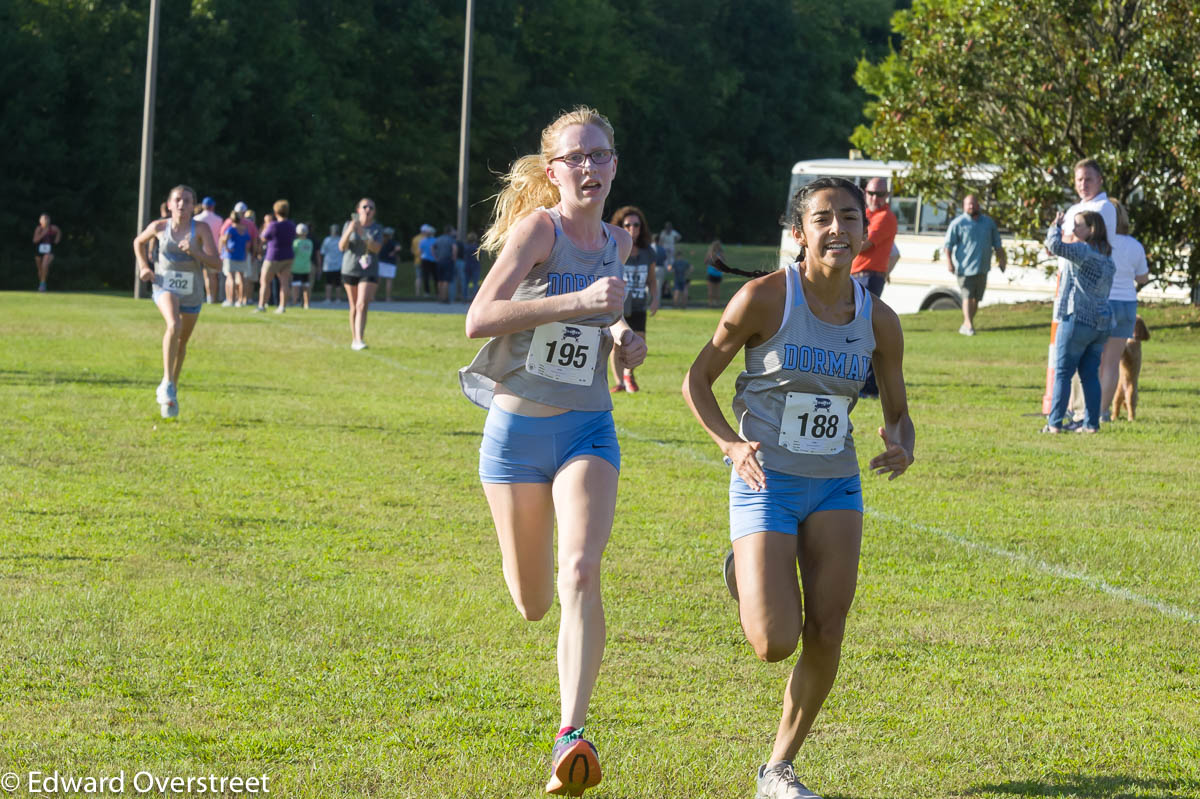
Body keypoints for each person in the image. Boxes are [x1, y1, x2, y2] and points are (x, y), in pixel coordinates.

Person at [682, 177, 914, 799]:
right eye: (822, 218)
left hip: (835, 483)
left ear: (865, 231)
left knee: (829, 629)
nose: (836, 228)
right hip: (767, 479)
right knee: (773, 641)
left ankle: (778, 768)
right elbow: (697, 381)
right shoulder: (763, 299)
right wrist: (731, 444)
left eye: (848, 217)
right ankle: (745, 570)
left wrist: (902, 441)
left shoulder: (880, 320)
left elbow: (897, 408)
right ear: (799, 233)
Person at [459, 106, 645, 797]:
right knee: (534, 600)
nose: (590, 167)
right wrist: (578, 305)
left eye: (601, 155)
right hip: (514, 438)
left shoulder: (616, 246)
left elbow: (604, 322)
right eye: (576, 157)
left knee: (580, 570)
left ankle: (573, 733)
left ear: (614, 164)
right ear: (552, 170)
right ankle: (568, 719)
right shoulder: (541, 231)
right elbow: (480, 316)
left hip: (588, 429)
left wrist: (624, 339)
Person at [133, 185, 221, 418]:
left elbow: (217, 264)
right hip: (164, 284)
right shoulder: (159, 227)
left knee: (181, 343)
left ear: (194, 206)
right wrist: (144, 266)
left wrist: (196, 252)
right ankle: (167, 382)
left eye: (188, 201)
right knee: (173, 325)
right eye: (178, 200)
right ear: (170, 204)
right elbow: (138, 242)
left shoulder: (200, 229)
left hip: (192, 291)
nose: (182, 204)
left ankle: (171, 388)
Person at [1042, 210, 1116, 433]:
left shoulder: (1083, 251)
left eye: (1077, 225)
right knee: (1089, 375)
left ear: (1091, 230)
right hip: (1101, 323)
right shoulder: (1107, 257)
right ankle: (1091, 424)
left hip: (1078, 318)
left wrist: (1056, 225)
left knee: (1063, 372)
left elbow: (1054, 246)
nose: (1073, 230)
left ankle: (1054, 424)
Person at [1098, 200, 1150, 420]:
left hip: (1103, 304)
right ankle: (1102, 412)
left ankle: (1091, 409)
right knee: (1112, 365)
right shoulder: (1135, 245)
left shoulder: (1099, 244)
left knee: (1096, 362)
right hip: (1127, 304)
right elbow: (1142, 277)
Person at [849, 177, 897, 399]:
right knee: (854, 329)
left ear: (887, 196)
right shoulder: (865, 214)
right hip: (856, 275)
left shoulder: (885, 217)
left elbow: (864, 244)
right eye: (871, 193)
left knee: (863, 331)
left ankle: (870, 386)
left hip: (869, 277)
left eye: (880, 194)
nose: (875, 198)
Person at [608, 205, 657, 394]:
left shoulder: (647, 252)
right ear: (621, 226)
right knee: (617, 343)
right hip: (619, 302)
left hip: (638, 302)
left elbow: (652, 279)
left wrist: (655, 299)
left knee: (639, 341)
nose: (632, 229)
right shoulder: (613, 247)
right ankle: (620, 381)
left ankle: (628, 374)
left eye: (636, 225)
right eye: (627, 225)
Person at [943, 194, 1006, 335]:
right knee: (967, 296)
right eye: (968, 204)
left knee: (976, 299)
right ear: (964, 206)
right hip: (964, 268)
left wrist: (1002, 260)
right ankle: (969, 324)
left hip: (982, 267)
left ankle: (967, 323)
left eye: (973, 203)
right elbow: (948, 246)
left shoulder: (988, 223)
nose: (971, 206)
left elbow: (997, 244)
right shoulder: (958, 223)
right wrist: (949, 263)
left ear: (978, 204)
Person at [339, 198, 383, 349]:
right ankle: (354, 339)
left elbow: (376, 248)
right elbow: (342, 247)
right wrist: (351, 230)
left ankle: (359, 339)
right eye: (365, 207)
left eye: (371, 207)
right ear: (358, 210)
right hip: (350, 268)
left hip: (369, 269)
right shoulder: (349, 225)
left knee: (362, 303)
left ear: (374, 212)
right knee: (353, 306)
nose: (368, 210)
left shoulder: (377, 229)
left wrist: (362, 233)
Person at [257, 200, 296, 313]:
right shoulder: (291, 225)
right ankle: (282, 307)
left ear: (276, 212)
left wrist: (266, 224)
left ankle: (261, 305)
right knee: (284, 282)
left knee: (264, 281)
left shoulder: (273, 225)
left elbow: (263, 237)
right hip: (288, 256)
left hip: (273, 256)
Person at [219, 210, 253, 307]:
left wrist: (226, 249)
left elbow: (224, 239)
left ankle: (231, 300)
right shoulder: (244, 229)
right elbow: (248, 244)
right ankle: (241, 300)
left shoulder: (231, 229)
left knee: (231, 278)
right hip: (242, 256)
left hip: (231, 256)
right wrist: (246, 254)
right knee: (242, 279)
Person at [194, 197, 224, 303]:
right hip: (213, 251)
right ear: (213, 206)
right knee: (212, 276)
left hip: (198, 250)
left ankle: (202, 297)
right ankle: (211, 298)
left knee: (201, 276)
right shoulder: (219, 219)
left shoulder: (197, 218)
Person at [32, 214, 62, 292]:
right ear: (40, 221)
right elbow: (35, 240)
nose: (46, 220)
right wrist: (43, 233)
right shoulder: (39, 229)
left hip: (49, 250)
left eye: (47, 218)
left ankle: (42, 285)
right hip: (39, 251)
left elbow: (59, 232)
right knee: (40, 269)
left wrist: (57, 239)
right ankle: (42, 283)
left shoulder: (53, 228)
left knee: (45, 265)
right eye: (44, 219)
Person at [291, 223, 314, 309]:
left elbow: (293, 254)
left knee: (295, 286)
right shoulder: (310, 242)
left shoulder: (295, 242)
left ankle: (294, 302)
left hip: (296, 267)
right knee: (306, 286)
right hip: (306, 267)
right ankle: (306, 303)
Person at [433, 225, 458, 303]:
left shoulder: (439, 238)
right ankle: (445, 298)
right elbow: (454, 248)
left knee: (440, 280)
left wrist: (435, 257)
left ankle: (440, 297)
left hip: (439, 261)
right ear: (450, 232)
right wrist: (454, 258)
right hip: (448, 261)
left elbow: (432, 247)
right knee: (446, 280)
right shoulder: (451, 239)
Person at [319, 224, 344, 303]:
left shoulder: (327, 240)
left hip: (328, 265)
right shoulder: (341, 239)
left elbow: (322, 252)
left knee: (328, 282)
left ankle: (328, 299)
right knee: (338, 283)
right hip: (338, 264)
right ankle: (338, 299)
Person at [378, 227, 398, 302]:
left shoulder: (380, 241)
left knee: (378, 280)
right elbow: (398, 248)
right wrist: (393, 252)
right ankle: (388, 297)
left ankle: (372, 296)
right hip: (390, 263)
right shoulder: (392, 241)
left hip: (380, 262)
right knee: (389, 281)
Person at [417, 224, 437, 298]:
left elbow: (420, 251)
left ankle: (427, 292)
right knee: (435, 277)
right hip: (434, 260)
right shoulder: (435, 240)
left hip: (424, 260)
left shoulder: (422, 241)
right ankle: (437, 292)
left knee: (426, 277)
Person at [705, 239, 725, 308]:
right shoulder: (714, 254)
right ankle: (713, 303)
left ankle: (714, 303)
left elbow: (705, 262)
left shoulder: (717, 253)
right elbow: (706, 262)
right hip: (715, 273)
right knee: (714, 290)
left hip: (715, 273)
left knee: (714, 290)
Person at [463, 231, 482, 301]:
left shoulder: (466, 246)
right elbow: (480, 257)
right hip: (475, 265)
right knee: (475, 283)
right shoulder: (477, 247)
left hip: (467, 265)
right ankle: (475, 298)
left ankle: (465, 298)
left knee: (466, 283)